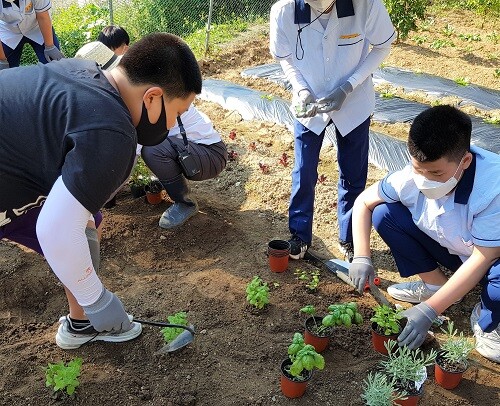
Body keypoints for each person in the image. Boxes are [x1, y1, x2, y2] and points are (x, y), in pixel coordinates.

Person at [0, 32, 202, 349]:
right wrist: (99, 301)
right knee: (68, 228)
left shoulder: (83, 72)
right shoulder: (113, 132)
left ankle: (80, 325)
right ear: (151, 98)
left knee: (85, 221)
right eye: (176, 113)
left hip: (16, 171)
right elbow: (55, 230)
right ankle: (89, 315)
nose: (172, 124)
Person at [349, 105, 500, 363]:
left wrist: (429, 311)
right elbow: (363, 203)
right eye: (419, 169)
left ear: (464, 161)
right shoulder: (412, 176)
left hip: (490, 260)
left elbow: (482, 258)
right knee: (385, 215)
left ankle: (490, 320)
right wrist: (362, 256)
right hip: (458, 248)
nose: (424, 180)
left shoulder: (492, 189)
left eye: (436, 173)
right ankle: (436, 286)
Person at [269, 0, 395, 260]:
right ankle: (299, 235)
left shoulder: (366, 5)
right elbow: (285, 58)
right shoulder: (284, 10)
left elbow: (383, 45)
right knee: (304, 170)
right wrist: (302, 89)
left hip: (354, 102)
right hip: (309, 101)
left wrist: (348, 86)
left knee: (353, 173)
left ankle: (349, 238)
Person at [75, 41, 228, 227]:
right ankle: (169, 179)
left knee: (153, 149)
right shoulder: (134, 91)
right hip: (186, 150)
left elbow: (127, 157)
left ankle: (185, 203)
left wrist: (93, 202)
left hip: (209, 154)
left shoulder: (144, 100)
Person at [0, 0, 63, 69]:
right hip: (9, 32)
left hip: (37, 28)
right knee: (5, 72)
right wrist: (2, 60)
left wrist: (50, 46)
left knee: (54, 67)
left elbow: (42, 16)